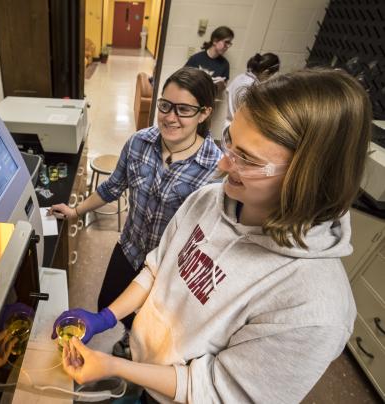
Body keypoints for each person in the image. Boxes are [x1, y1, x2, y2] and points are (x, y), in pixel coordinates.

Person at [54, 68, 372, 403]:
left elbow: (218, 391)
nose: (222, 166)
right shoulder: (208, 200)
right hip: (142, 370)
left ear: (310, 176)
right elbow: (158, 267)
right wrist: (107, 321)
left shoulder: (313, 307)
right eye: (229, 142)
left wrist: (115, 367)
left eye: (247, 159)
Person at [48, 67, 223, 350]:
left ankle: (134, 348)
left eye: (183, 110)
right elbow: (113, 187)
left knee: (151, 328)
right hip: (130, 248)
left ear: (203, 113)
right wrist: (76, 211)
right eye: (165, 105)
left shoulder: (215, 169)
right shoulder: (139, 143)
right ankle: (128, 337)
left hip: (169, 269)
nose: (169, 117)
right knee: (109, 302)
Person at [224, 52, 280, 130]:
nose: (269, 79)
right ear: (265, 72)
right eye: (271, 76)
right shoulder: (252, 86)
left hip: (228, 125)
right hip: (240, 129)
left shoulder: (240, 77)